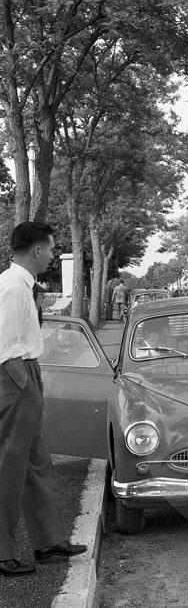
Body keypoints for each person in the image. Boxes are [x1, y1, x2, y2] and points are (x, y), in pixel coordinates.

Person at [0, 222, 86, 577]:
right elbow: (3, 344)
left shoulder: (21, 285)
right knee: (8, 467)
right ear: (36, 250)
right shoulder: (12, 288)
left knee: (37, 463)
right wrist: (22, 380)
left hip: (25, 372)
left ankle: (49, 541)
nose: (52, 255)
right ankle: (2, 552)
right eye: (50, 249)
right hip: (14, 373)